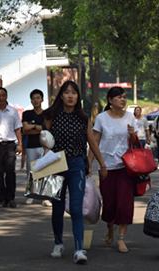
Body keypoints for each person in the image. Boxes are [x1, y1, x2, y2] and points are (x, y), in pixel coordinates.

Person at [44, 81, 106, 264]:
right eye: (67, 92)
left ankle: (79, 250)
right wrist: (46, 157)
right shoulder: (51, 115)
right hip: (56, 165)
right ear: (61, 95)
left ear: (78, 96)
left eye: (74, 93)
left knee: (77, 209)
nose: (70, 96)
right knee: (57, 206)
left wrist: (102, 165)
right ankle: (58, 243)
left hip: (77, 164)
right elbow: (45, 140)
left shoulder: (83, 117)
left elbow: (92, 143)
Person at [90, 86, 138, 254]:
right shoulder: (102, 118)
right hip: (107, 167)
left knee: (125, 204)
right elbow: (94, 143)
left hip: (126, 167)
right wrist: (89, 165)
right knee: (109, 205)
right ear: (110, 100)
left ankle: (121, 238)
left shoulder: (130, 117)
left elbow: (137, 144)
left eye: (124, 97)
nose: (123, 100)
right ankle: (111, 226)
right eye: (119, 97)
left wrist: (133, 135)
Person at [22, 88, 51, 207]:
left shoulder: (47, 114)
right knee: (31, 172)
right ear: (31, 100)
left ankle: (45, 198)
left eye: (38, 98)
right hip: (31, 146)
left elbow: (48, 130)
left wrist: (32, 126)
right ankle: (31, 194)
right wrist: (39, 128)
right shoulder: (27, 114)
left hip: (45, 147)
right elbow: (25, 130)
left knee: (45, 171)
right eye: (33, 98)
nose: (35, 100)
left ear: (42, 99)